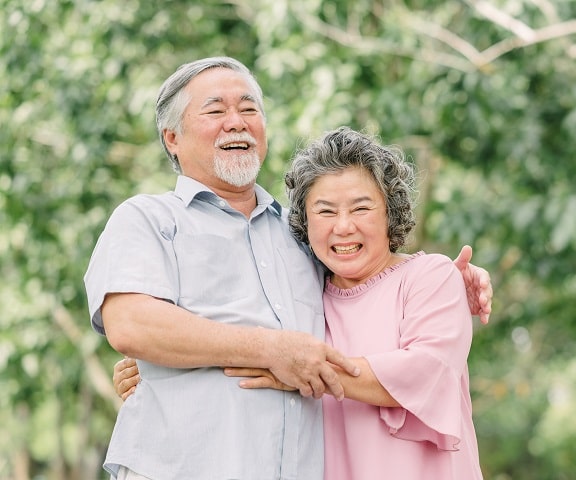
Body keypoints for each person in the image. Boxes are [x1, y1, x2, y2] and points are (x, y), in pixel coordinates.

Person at [88, 56, 491, 480]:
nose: (236, 122)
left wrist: (445, 277)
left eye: (249, 109)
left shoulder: (302, 234)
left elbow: (367, 280)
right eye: (215, 110)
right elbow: (131, 325)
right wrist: (268, 351)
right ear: (172, 137)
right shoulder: (147, 219)